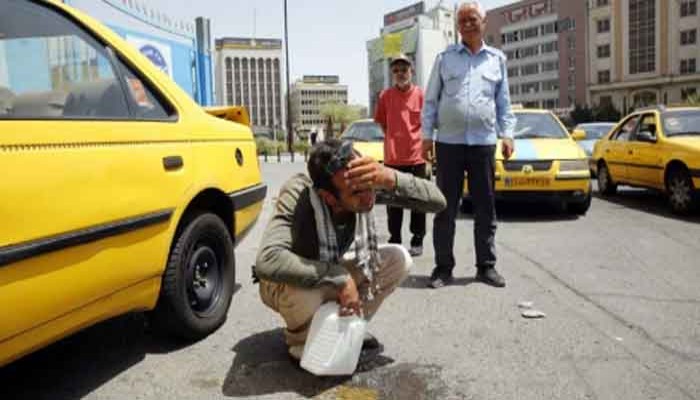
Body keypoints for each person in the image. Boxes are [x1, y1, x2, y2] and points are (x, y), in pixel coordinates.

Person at [255, 138, 446, 364]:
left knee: (398, 260)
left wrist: (390, 177)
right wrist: (340, 278)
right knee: (307, 293)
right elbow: (267, 260)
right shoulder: (299, 195)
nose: (368, 197)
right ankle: (301, 341)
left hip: (329, 267)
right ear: (328, 197)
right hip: (288, 281)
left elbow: (438, 202)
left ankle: (349, 326)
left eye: (370, 186)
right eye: (357, 193)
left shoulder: (362, 185)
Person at [422, 1, 516, 289]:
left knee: (485, 207)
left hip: (484, 144)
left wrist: (508, 134)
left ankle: (486, 266)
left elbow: (504, 104)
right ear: (457, 26)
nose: (467, 24)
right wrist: (427, 135)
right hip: (448, 144)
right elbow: (431, 100)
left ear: (483, 23)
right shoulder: (444, 58)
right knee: (444, 208)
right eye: (462, 20)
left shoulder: (496, 60)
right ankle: (442, 268)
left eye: (472, 19)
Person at [374, 53, 428, 257]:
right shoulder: (385, 97)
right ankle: (395, 239)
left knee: (418, 202)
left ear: (411, 71)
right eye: (396, 70)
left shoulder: (421, 95)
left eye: (404, 69)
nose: (400, 73)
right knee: (393, 204)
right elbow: (382, 123)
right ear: (392, 73)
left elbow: (428, 124)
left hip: (416, 158)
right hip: (393, 159)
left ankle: (417, 240)